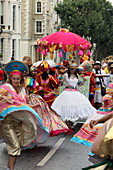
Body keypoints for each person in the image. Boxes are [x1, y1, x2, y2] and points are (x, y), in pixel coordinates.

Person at [0, 60, 49, 170]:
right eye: (14, 79)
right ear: (10, 79)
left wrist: (34, 106)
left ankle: (9, 167)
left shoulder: (22, 89)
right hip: (8, 122)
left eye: (18, 79)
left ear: (21, 79)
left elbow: (23, 105)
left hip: (19, 123)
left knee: (19, 145)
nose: (16, 81)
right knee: (15, 146)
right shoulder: (5, 88)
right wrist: (4, 98)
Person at [25, 65, 72, 136]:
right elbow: (27, 90)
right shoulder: (31, 79)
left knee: (46, 113)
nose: (35, 73)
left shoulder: (38, 78)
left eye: (36, 71)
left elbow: (55, 84)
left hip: (39, 97)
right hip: (35, 98)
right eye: (34, 71)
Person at [51, 63, 96, 128]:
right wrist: (60, 80)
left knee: (74, 107)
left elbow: (79, 85)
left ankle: (70, 123)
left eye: (74, 69)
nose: (73, 70)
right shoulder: (65, 75)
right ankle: (67, 124)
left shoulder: (77, 76)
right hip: (66, 92)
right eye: (72, 69)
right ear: (69, 69)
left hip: (75, 92)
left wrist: (83, 81)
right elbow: (61, 83)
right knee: (67, 107)